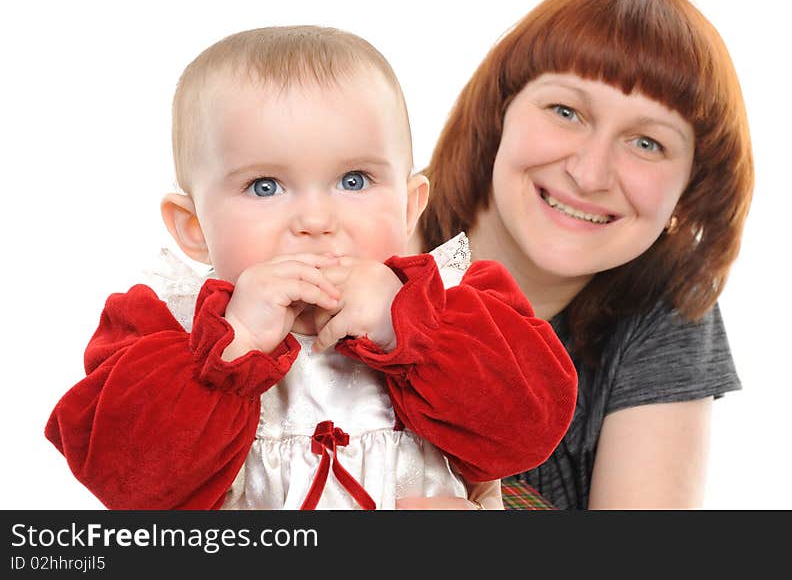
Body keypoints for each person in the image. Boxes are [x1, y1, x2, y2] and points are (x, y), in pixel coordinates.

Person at [45, 25, 577, 510]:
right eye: (264, 186)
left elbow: (530, 431)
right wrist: (235, 346)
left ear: (410, 205)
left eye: (354, 181)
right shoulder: (166, 331)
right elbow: (130, 486)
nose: (317, 221)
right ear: (194, 227)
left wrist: (406, 324)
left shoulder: (456, 308)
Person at [405, 0, 753, 509]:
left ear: (689, 191)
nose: (590, 175)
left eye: (647, 142)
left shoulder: (664, 312)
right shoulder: (352, 228)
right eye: (566, 112)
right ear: (501, 111)